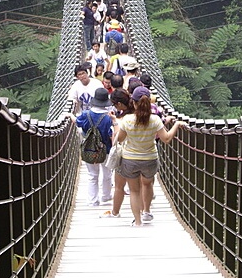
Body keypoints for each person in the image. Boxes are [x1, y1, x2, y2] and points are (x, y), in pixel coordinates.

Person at [116, 86, 187, 226]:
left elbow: (120, 139)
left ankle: (137, 221)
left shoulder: (127, 119)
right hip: (150, 158)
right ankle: (146, 211)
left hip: (130, 159)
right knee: (147, 184)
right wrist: (177, 124)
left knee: (134, 191)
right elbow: (166, 139)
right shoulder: (155, 119)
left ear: (134, 103)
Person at [70, 88, 116, 206]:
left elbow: (77, 122)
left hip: (89, 148)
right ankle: (106, 196)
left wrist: (69, 115)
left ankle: (93, 201)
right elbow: (111, 134)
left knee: (92, 175)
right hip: (105, 148)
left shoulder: (86, 114)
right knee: (107, 173)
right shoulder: (108, 118)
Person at [101, 89, 133, 219]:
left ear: (119, 104)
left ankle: (115, 212)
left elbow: (116, 139)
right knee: (137, 189)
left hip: (124, 155)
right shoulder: (138, 115)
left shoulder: (122, 120)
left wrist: (114, 121)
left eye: (114, 104)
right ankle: (142, 212)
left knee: (119, 186)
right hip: (142, 154)